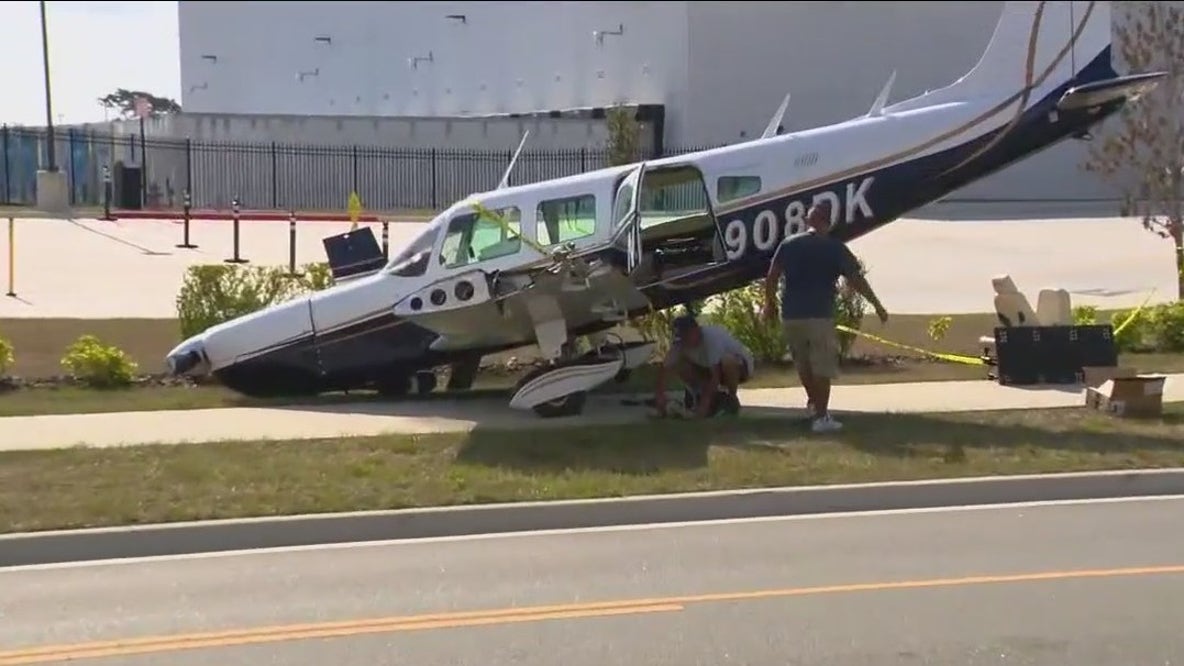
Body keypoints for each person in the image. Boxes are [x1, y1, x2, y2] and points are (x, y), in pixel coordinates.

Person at [761, 200, 888, 433]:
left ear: (808, 221)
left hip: (791, 315)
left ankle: (813, 405)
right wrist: (877, 305)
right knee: (822, 366)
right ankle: (822, 416)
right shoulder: (834, 248)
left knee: (803, 363)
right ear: (828, 224)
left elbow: (771, 277)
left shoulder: (788, 244)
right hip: (819, 314)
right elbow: (856, 280)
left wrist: (770, 305)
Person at [654, 314, 755, 418]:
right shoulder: (680, 343)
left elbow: (715, 376)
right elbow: (665, 368)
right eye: (681, 337)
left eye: (686, 336)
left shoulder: (712, 338)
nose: (684, 341)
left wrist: (705, 404)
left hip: (739, 368)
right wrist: (660, 395)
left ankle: (731, 399)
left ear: (696, 331)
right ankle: (698, 395)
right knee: (680, 364)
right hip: (708, 369)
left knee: (728, 361)